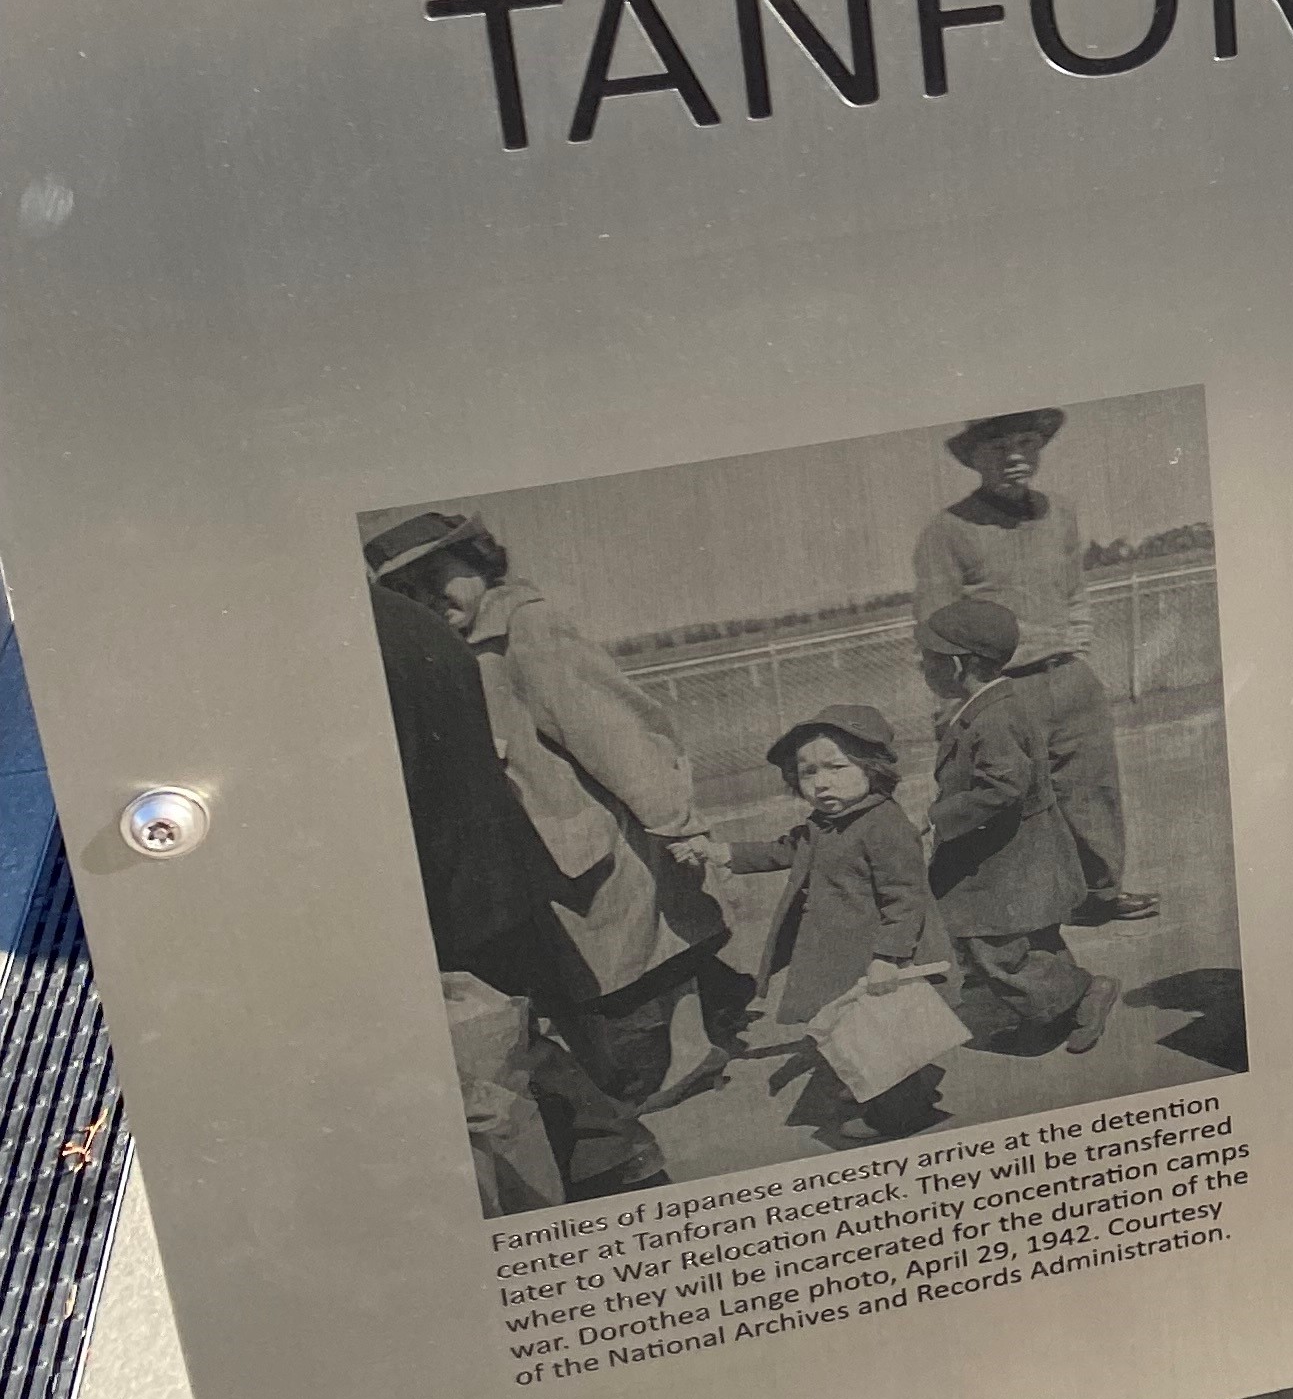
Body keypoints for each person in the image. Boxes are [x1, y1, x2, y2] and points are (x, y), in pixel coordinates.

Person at [363, 509, 747, 1107]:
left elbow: (614, 734)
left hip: (585, 839)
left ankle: (686, 1058)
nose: (431, 597)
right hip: (538, 849)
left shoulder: (525, 632)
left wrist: (674, 820)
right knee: (609, 971)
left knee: (639, 963)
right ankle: (678, 1052)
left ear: (482, 562)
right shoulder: (452, 651)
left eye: (442, 573)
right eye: (407, 590)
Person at [367, 578, 668, 1206]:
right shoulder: (409, 623)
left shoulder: (385, 635)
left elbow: (606, 729)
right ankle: (617, 1166)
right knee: (523, 1045)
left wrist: (671, 814)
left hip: (458, 891)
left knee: (509, 1054)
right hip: (492, 876)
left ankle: (610, 1172)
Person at [914, 410, 1154, 924]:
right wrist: (952, 708)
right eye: (999, 447)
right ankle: (1026, 908)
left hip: (1069, 677)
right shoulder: (947, 530)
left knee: (1093, 789)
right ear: (974, 458)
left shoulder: (1060, 513)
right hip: (1003, 689)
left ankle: (1101, 894)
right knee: (1010, 799)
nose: (1015, 456)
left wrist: (1079, 639)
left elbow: (1075, 591)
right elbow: (935, 629)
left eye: (1026, 442)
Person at [728, 707, 946, 1141]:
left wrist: (889, 957)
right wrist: (725, 856)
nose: (821, 782)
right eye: (807, 773)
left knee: (882, 1039)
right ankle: (891, 1090)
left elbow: (905, 897)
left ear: (872, 767)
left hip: (876, 955)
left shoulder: (882, 824)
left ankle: (899, 1116)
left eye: (836, 768)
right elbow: (785, 849)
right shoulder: (827, 822)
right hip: (842, 956)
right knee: (861, 1034)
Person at [919, 598, 1118, 1058]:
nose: (921, 666)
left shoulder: (993, 718)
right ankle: (1056, 1012)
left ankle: (1085, 992)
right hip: (1018, 854)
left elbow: (1004, 786)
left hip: (1006, 860)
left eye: (927, 658)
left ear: (955, 665)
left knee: (994, 947)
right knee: (1032, 936)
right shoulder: (992, 706)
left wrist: (936, 818)